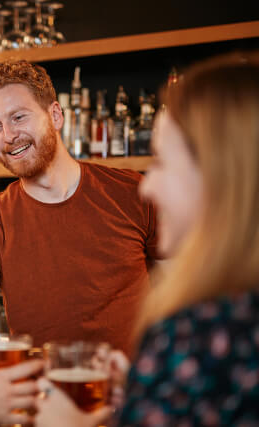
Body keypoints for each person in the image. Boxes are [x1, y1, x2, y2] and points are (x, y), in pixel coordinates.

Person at [35, 51, 259, 426]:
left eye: (163, 163)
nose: (147, 188)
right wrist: (150, 387)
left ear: (224, 176)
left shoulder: (200, 331)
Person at [0, 60, 159, 391]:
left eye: (18, 117)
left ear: (55, 115)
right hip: (43, 409)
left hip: (134, 402)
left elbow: (181, 298)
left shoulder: (134, 194)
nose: (8, 136)